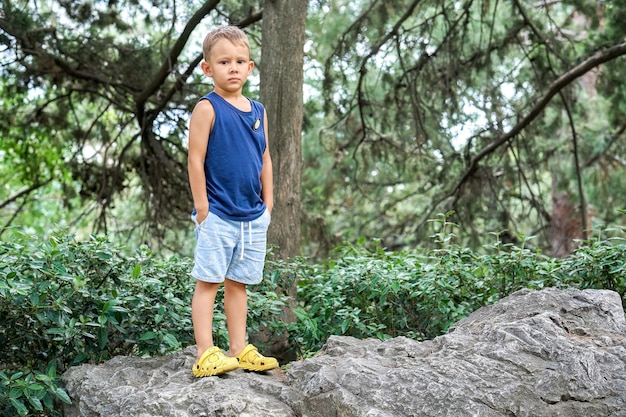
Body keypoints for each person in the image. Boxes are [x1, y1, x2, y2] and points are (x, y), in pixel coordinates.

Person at [187, 25, 278, 377]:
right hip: (218, 214)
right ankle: (206, 351)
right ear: (208, 68)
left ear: (250, 67)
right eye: (224, 61)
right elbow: (195, 159)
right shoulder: (207, 109)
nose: (233, 68)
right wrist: (203, 207)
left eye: (240, 61)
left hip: (253, 215)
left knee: (238, 283)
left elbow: (265, 157)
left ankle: (239, 349)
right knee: (209, 281)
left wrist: (268, 203)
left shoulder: (258, 111)